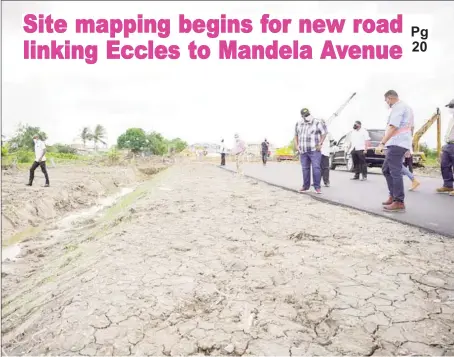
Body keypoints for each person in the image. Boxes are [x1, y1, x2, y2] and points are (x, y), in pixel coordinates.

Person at [375, 90, 414, 212]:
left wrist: (382, 143)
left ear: (390, 98)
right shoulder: (406, 107)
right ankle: (393, 196)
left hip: (397, 143)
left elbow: (393, 126)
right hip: (400, 142)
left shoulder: (398, 107)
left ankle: (399, 201)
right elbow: (411, 127)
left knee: (394, 171)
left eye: (386, 100)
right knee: (386, 169)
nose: (386, 103)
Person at [294, 108, 327, 194]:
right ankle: (305, 187)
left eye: (308, 115)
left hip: (314, 150)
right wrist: (296, 145)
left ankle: (317, 187)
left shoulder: (317, 122)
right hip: (303, 150)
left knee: (316, 168)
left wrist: (320, 143)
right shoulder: (299, 123)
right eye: (305, 116)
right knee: (305, 169)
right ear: (302, 116)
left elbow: (324, 132)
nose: (307, 117)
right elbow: (296, 135)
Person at [436, 98, 454, 196]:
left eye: (452, 106)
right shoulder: (452, 119)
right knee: (444, 165)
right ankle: (448, 185)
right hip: (448, 145)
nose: (450, 109)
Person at [320, 121, 333, 187]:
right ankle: (316, 182)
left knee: (326, 168)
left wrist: (330, 148)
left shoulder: (328, 134)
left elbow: (332, 142)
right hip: (318, 152)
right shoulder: (317, 133)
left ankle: (326, 182)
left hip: (325, 152)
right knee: (317, 168)